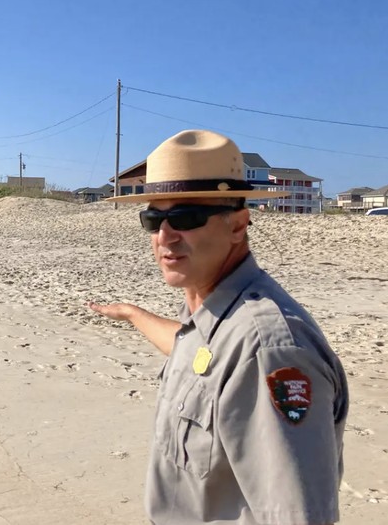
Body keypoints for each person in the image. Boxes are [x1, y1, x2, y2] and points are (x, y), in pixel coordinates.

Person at [89, 129, 348, 525]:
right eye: (153, 218)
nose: (164, 235)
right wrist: (133, 314)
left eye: (186, 217)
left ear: (238, 225)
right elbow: (196, 356)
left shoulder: (269, 350)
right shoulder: (212, 316)